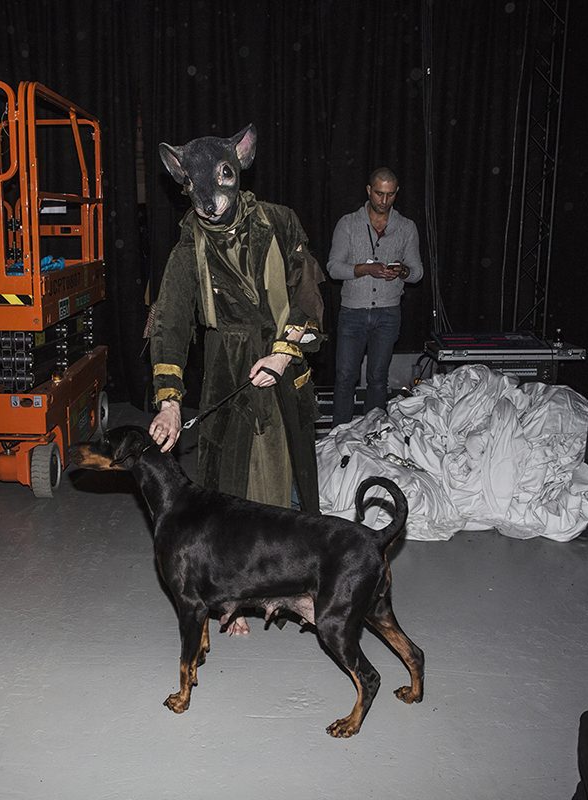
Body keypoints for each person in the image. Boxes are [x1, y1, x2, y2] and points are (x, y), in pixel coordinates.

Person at [149, 125, 325, 638]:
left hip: (280, 360)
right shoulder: (189, 244)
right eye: (194, 187)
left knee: (283, 477)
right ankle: (234, 597)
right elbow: (170, 321)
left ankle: (295, 584)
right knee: (227, 484)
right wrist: (169, 401)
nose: (209, 200)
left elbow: (308, 294)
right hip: (226, 364)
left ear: (241, 163)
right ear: (183, 182)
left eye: (221, 178)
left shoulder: (279, 222)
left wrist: (284, 352)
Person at [328, 167, 423, 426]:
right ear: (369, 191)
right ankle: (339, 435)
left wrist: (402, 271)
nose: (384, 200)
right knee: (345, 377)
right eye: (379, 193)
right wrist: (365, 269)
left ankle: (373, 435)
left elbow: (417, 273)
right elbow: (333, 268)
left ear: (396, 193)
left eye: (390, 195)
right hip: (353, 312)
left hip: (388, 313)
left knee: (378, 378)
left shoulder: (406, 227)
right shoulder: (348, 224)